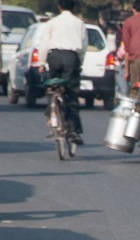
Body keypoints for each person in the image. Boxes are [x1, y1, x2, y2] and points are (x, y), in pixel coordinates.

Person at [37, 0, 87, 145]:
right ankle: (73, 131)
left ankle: (51, 114)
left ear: (59, 7)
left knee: (53, 86)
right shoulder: (79, 23)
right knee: (71, 94)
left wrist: (42, 63)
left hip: (54, 57)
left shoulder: (52, 22)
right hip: (71, 58)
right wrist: (80, 63)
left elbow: (44, 43)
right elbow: (83, 47)